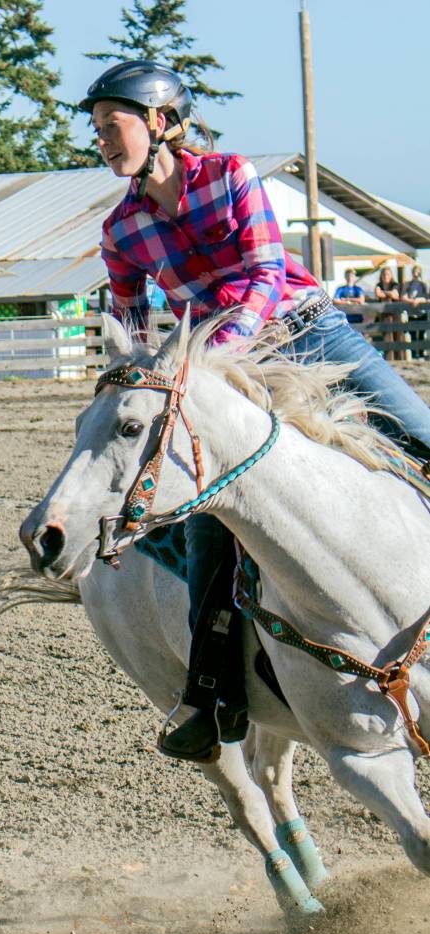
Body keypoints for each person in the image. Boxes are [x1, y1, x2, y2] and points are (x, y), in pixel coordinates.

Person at [79, 61, 430, 761]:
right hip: (223, 375)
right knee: (217, 514)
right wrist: (138, 377)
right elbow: (130, 318)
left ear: (159, 122)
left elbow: (267, 273)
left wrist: (217, 353)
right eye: (96, 131)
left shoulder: (232, 176)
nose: (103, 142)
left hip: (305, 332)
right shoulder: (120, 231)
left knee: (420, 435)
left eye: (111, 125)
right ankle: (209, 693)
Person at [403, 266, 428, 358]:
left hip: (422, 312)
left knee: (421, 334)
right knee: (412, 335)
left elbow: (427, 297)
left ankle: (421, 354)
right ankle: (414, 355)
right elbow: (404, 297)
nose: (416, 273)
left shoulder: (424, 284)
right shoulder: (408, 284)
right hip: (411, 313)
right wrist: (412, 301)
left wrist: (419, 300)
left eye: (418, 271)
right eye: (414, 271)